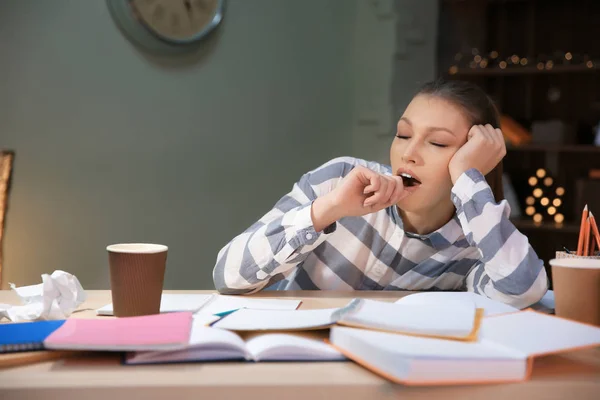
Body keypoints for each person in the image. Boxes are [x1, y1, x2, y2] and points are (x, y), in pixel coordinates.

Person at [212, 79, 548, 309]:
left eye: (438, 143)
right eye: (403, 135)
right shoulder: (342, 179)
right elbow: (227, 275)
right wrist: (327, 209)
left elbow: (522, 289)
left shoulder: (476, 242)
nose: (409, 153)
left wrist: (467, 178)